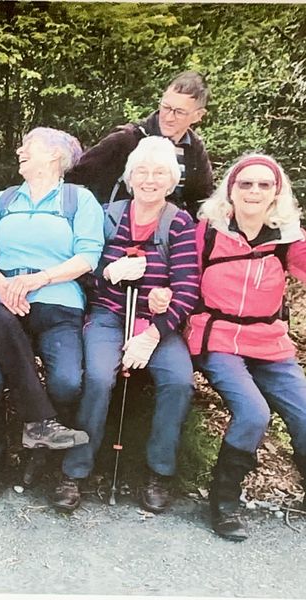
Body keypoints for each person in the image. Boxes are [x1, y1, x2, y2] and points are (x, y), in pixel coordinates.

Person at [0, 126, 105, 505]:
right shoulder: (4, 200)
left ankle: (44, 461)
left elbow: (88, 256)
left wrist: (41, 278)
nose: (20, 151)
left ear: (54, 157)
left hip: (58, 302)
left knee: (68, 382)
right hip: (6, 307)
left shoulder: (78, 199)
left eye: (29, 147)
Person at [53, 136, 199, 514]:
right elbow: (85, 273)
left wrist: (152, 334)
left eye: (160, 173)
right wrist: (109, 273)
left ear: (172, 181)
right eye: (142, 172)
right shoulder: (107, 216)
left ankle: (159, 471)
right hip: (108, 315)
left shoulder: (180, 223)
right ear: (130, 178)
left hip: (157, 324)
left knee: (179, 380)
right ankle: (75, 470)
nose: (150, 180)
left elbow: (188, 288)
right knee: (98, 378)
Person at [185, 153, 306, 541]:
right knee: (253, 413)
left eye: (264, 185)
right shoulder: (206, 232)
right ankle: (224, 502)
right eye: (246, 184)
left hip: (269, 340)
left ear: (277, 194)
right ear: (231, 190)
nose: (254, 191)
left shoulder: (289, 239)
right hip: (216, 337)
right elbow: (181, 278)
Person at [66, 71, 213, 219]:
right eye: (166, 107)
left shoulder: (195, 149)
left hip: (172, 233)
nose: (169, 117)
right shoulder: (125, 140)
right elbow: (75, 177)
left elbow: (202, 201)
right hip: (119, 231)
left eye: (179, 112)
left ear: (198, 116)